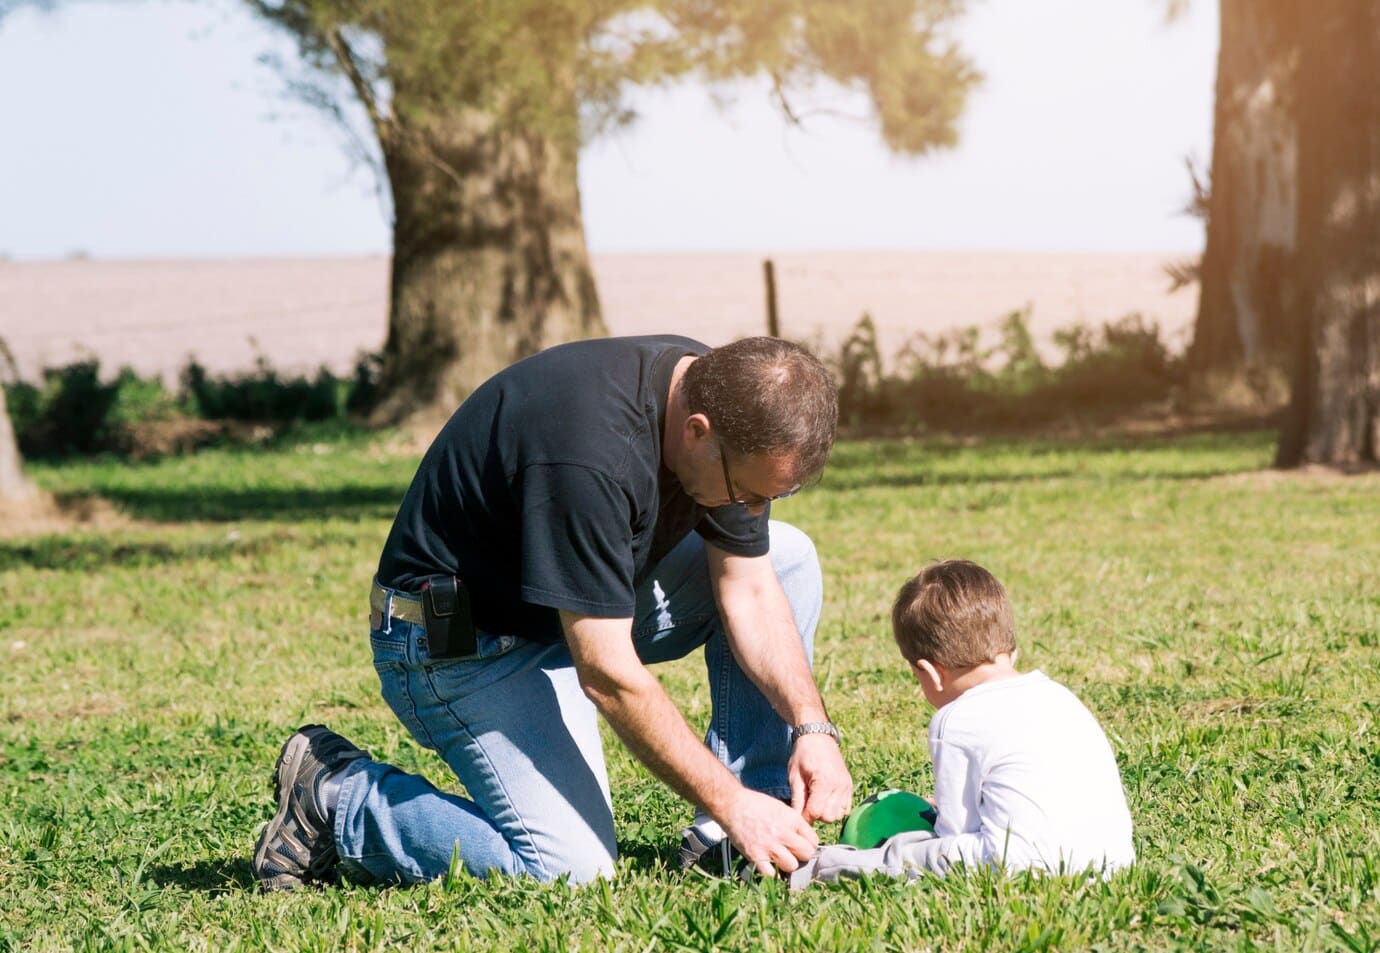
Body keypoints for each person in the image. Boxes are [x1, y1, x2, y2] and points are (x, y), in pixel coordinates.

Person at [252, 334, 853, 890]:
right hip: (459, 645)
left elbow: (747, 588)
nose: (750, 508)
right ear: (697, 431)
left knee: (788, 558)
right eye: (746, 491)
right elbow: (609, 675)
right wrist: (730, 800)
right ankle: (338, 798)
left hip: (563, 612)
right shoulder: (589, 453)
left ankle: (742, 833)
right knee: (571, 872)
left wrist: (810, 725)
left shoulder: (721, 400)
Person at [789, 559, 1134, 888]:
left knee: (904, 854)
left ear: (930, 673)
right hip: (1108, 864)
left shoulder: (955, 720)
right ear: (1011, 651)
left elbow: (956, 831)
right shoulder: (1059, 696)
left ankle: (818, 866)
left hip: (1015, 867)